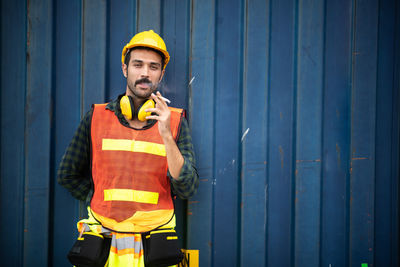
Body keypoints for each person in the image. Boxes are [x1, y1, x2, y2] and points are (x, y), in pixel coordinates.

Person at [57, 30, 199, 266]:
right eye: (138, 64)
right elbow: (68, 175)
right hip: (103, 245)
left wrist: (165, 133)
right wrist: (98, 198)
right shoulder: (96, 117)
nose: (145, 73)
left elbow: (187, 187)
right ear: (125, 69)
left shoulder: (174, 122)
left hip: (154, 247)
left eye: (153, 67)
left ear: (161, 74)